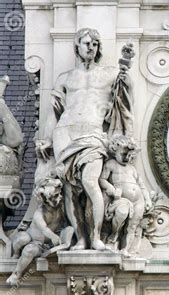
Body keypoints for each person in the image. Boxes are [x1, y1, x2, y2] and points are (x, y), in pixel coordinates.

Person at [35, 28, 133, 250]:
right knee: (70, 189)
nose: (91, 47)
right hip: (65, 133)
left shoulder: (109, 74)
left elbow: (125, 99)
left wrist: (126, 75)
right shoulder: (65, 78)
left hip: (93, 133)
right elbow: (54, 113)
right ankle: (81, 238)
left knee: (90, 182)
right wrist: (46, 139)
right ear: (76, 46)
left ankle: (96, 237)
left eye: (95, 44)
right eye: (86, 43)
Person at [100, 134, 152, 256]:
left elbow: (142, 185)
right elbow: (102, 180)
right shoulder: (111, 164)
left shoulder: (132, 169)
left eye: (129, 155)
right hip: (122, 199)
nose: (127, 158)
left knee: (132, 226)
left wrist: (148, 199)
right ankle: (113, 236)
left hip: (138, 200)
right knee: (121, 214)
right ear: (115, 150)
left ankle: (125, 249)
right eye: (124, 154)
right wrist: (112, 190)